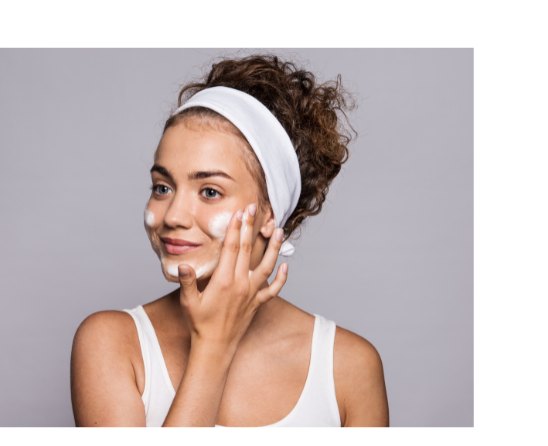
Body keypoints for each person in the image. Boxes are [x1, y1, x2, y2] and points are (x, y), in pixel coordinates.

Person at [70, 54, 389, 427]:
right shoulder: (111, 343)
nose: (172, 216)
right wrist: (213, 346)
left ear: (270, 213)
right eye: (162, 187)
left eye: (209, 191)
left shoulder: (348, 368)